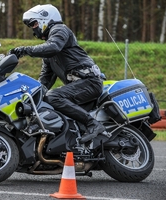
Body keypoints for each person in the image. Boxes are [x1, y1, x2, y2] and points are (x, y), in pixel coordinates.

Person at [9, 4, 109, 143]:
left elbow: (53, 47)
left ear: (46, 18)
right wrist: (31, 97)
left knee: (54, 97)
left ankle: (93, 124)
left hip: (89, 82)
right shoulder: (49, 55)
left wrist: (25, 50)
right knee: (44, 100)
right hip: (80, 85)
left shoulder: (59, 30)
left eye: (34, 23)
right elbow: (45, 80)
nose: (33, 29)